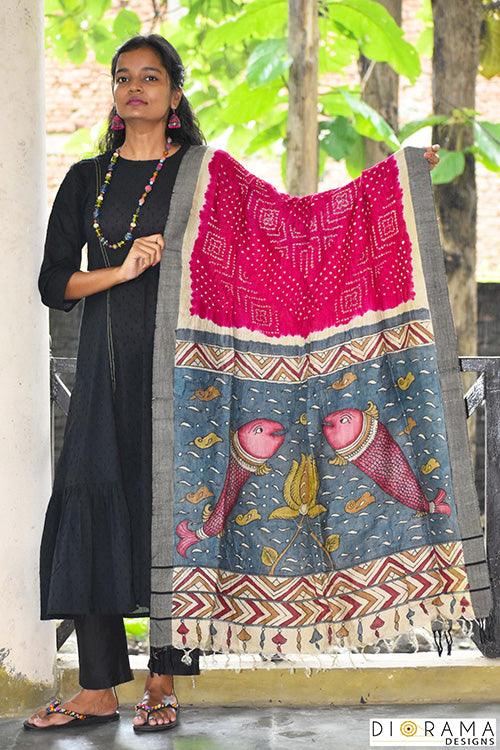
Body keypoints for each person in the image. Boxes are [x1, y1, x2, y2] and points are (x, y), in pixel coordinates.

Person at [24, 31, 441, 734]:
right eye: (123, 77)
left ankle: (163, 683)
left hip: (190, 381)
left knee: (177, 513)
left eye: (149, 77)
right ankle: (96, 690)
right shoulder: (85, 180)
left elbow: (297, 227)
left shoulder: (207, 176)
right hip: (106, 375)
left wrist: (396, 182)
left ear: (174, 96)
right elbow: (53, 283)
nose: (134, 87)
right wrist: (122, 270)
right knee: (93, 508)